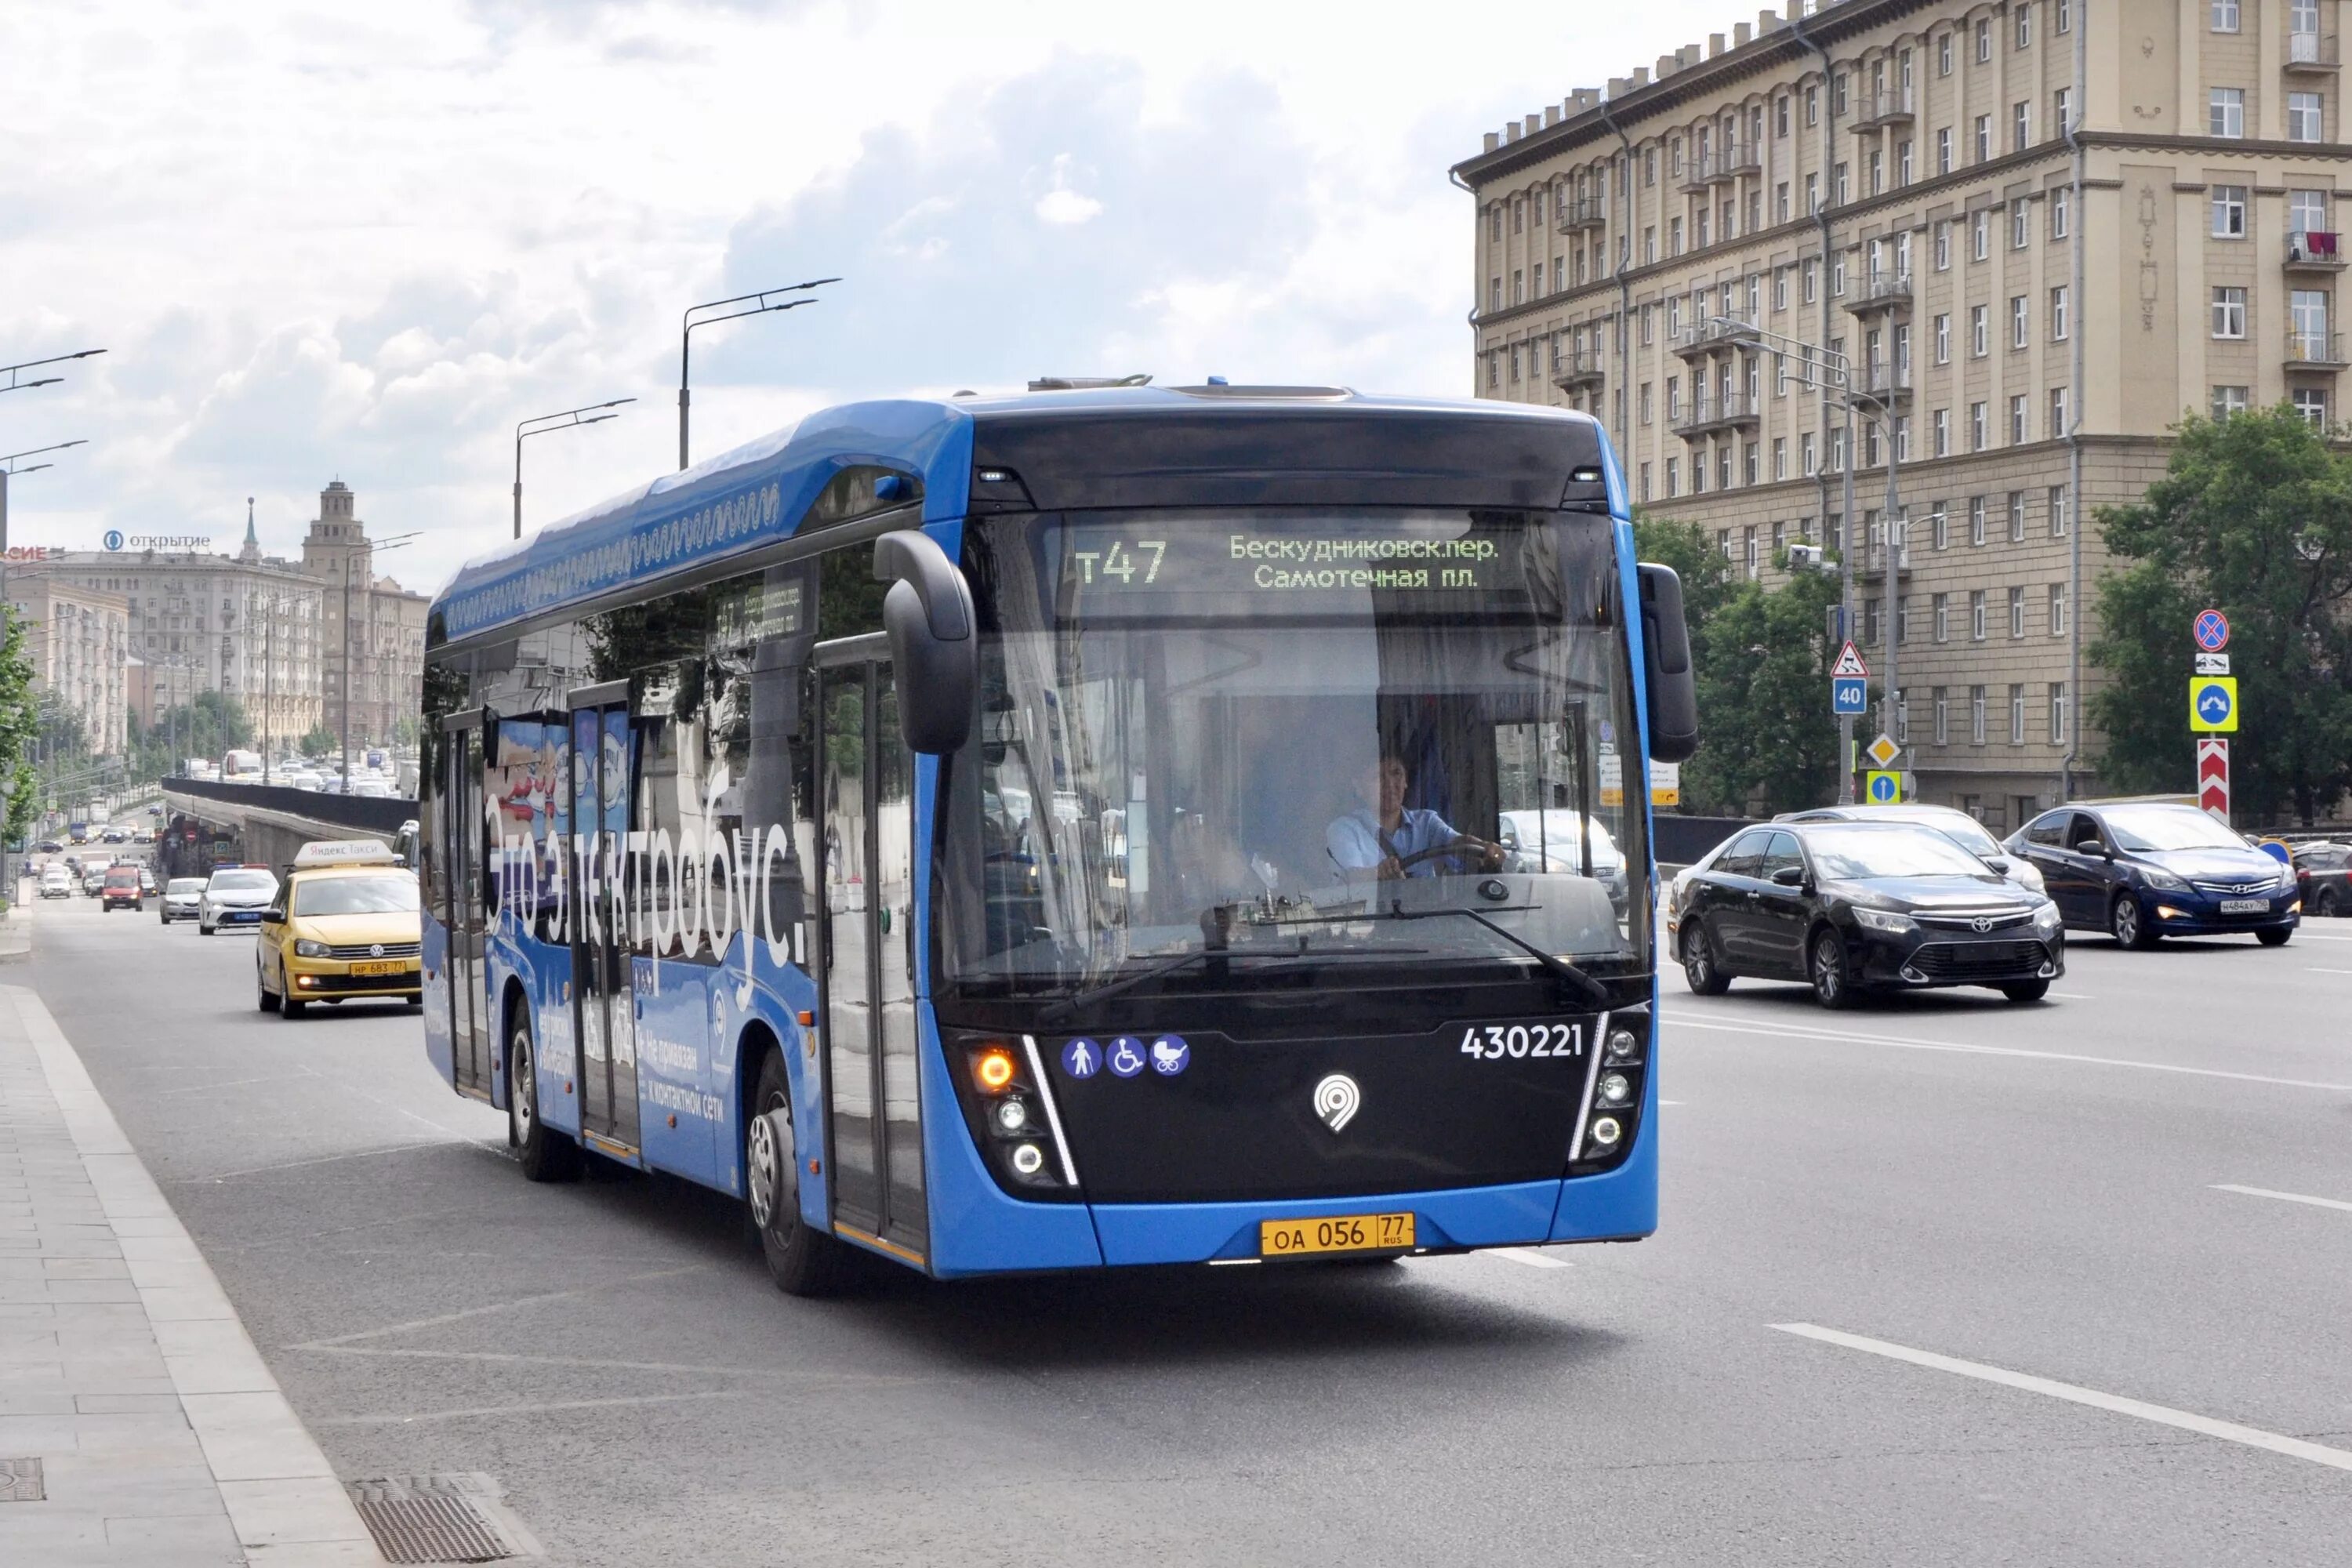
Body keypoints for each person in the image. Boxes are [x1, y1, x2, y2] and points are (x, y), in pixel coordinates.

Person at [1327, 751, 1502, 880]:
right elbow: (1352, 876)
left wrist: (1485, 846)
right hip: (1370, 923)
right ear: (1358, 787)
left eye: (1397, 774)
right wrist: (1379, 873)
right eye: (1378, 777)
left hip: (1424, 921)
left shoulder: (1426, 822)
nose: (1390, 784)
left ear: (1405, 782)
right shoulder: (1343, 829)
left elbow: (1457, 841)